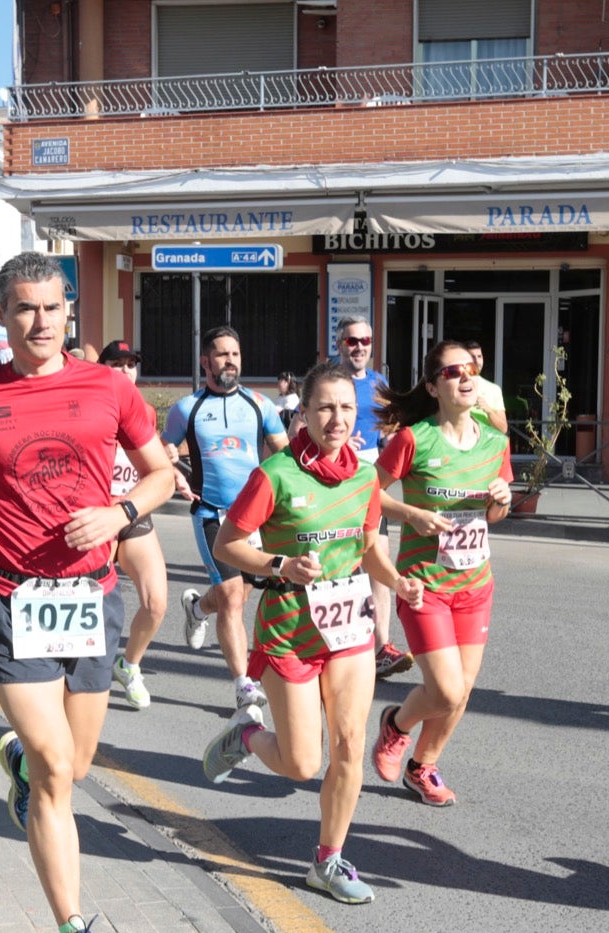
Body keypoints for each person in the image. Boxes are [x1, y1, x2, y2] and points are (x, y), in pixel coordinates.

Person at [0, 250, 177, 933]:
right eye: (23, 308)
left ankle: (23, 768)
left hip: (90, 596)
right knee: (60, 769)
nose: (38, 321)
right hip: (8, 593)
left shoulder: (108, 388)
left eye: (51, 307)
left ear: (70, 313)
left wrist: (121, 513)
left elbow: (161, 475)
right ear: (0, 314)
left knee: (74, 763)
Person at [200, 360, 424, 903]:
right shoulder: (276, 474)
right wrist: (279, 565)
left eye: (347, 408)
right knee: (302, 763)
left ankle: (328, 860)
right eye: (325, 406)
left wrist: (398, 582)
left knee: (348, 745)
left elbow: (369, 547)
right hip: (289, 631)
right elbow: (226, 544)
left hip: (347, 629)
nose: (337, 418)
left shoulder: (367, 477)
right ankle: (247, 737)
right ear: (303, 412)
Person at [370, 342, 514, 807]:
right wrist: (410, 513)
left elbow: (495, 514)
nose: (466, 377)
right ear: (433, 387)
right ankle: (395, 725)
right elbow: (366, 494)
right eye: (453, 371)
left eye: (471, 369)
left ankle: (422, 766)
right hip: (423, 585)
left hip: (475, 585)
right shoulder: (414, 439)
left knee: (461, 692)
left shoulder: (496, 441)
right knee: (446, 688)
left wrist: (501, 501)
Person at [165, 325, 289, 711]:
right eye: (221, 354)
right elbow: (165, 445)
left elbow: (285, 455)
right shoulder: (188, 408)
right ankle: (243, 685)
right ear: (206, 362)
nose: (230, 361)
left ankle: (198, 608)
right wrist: (170, 465)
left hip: (255, 516)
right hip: (211, 513)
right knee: (233, 597)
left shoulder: (259, 405)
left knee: (236, 593)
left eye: (235, 354)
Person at [334, 314, 414, 679]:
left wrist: (389, 440)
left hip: (370, 483)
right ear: (339, 345)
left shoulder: (379, 382)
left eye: (365, 341)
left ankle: (381, 646)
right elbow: (298, 428)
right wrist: (332, 441)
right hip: (333, 483)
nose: (360, 347)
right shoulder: (327, 381)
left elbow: (389, 424)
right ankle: (336, 641)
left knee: (378, 563)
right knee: (338, 566)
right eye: (353, 341)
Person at [100, 340, 170, 710]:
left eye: (132, 364)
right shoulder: (88, 404)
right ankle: (84, 672)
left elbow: (149, 459)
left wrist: (167, 457)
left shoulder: (143, 408)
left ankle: (128, 665)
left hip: (133, 509)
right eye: (117, 363)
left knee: (156, 602)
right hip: (96, 517)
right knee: (95, 602)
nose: (126, 371)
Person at [462, 341, 508, 434]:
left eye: (479, 356)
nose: (477, 361)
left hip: (486, 446)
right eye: (472, 357)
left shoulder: (494, 389)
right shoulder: (454, 385)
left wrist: (488, 410)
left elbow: (503, 429)